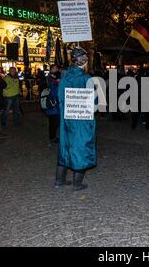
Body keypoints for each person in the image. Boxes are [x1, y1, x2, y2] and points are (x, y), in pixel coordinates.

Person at [56, 48, 96, 191]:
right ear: (84, 62)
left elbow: (60, 97)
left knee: (65, 147)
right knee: (80, 148)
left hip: (66, 119)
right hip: (81, 122)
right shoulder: (86, 79)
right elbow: (94, 101)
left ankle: (59, 181)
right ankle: (77, 184)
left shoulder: (64, 76)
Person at [45, 64, 61, 142]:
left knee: (54, 120)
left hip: (54, 102)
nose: (56, 69)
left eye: (56, 68)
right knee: (54, 120)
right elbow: (53, 91)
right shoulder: (50, 78)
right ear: (51, 69)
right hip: (51, 102)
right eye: (54, 68)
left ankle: (52, 136)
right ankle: (52, 137)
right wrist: (57, 82)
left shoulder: (55, 77)